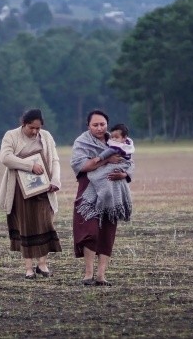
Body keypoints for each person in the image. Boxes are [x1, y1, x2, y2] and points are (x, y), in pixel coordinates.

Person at [71, 109, 134, 286]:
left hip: (112, 191)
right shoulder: (82, 142)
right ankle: (88, 274)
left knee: (107, 230)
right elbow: (81, 165)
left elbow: (129, 162)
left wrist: (125, 175)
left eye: (102, 124)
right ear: (88, 126)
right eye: (95, 125)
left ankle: (101, 275)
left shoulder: (116, 139)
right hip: (88, 189)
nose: (99, 128)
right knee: (89, 230)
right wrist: (106, 160)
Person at [0, 109, 62, 279]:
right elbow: (5, 158)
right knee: (25, 226)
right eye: (31, 128)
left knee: (45, 223)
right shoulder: (11, 136)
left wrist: (55, 179)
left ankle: (42, 264)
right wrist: (30, 166)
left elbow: (54, 160)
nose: (34, 131)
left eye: (38, 128)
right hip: (20, 190)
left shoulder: (46, 137)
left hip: (44, 189)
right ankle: (28, 268)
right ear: (23, 124)